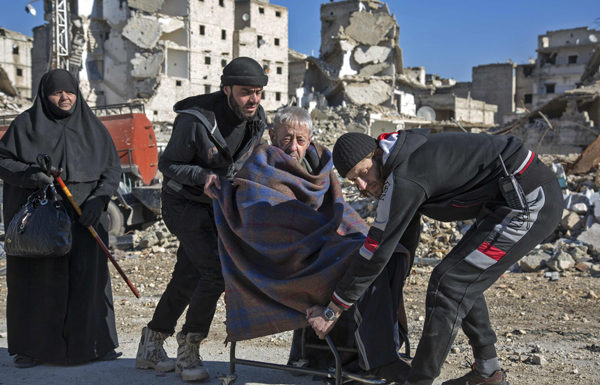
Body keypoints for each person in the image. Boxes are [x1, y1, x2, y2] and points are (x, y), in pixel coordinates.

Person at [307, 129, 564, 385]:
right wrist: (391, 284)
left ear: (376, 155)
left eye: (363, 173)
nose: (362, 185)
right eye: (354, 181)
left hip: (529, 201)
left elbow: (376, 248)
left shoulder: (404, 176)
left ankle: (418, 381)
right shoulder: (401, 158)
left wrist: (333, 310)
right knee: (459, 275)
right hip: (506, 202)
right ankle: (488, 373)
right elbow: (401, 242)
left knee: (449, 283)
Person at [211, 106, 411, 383]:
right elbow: (261, 220)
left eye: (300, 140)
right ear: (271, 135)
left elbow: (338, 211)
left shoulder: (322, 169)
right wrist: (321, 240)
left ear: (310, 140)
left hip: (323, 247)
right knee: (358, 259)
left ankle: (368, 354)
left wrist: (350, 237)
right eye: (286, 138)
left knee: (381, 252)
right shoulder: (260, 168)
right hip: (286, 262)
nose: (293, 147)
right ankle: (371, 360)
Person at [135, 57, 268, 382]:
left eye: (259, 92)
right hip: (183, 202)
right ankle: (188, 349)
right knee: (214, 273)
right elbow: (167, 165)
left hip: (217, 203)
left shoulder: (256, 119)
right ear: (226, 90)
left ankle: (150, 345)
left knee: (188, 274)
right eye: (245, 93)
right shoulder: (195, 122)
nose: (254, 100)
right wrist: (203, 176)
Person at [0, 69, 122, 368]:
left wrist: (100, 200)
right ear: (45, 95)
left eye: (69, 92)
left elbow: (111, 170)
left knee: (88, 280)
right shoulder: (25, 125)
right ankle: (31, 349)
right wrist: (34, 176)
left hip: (86, 218)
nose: (64, 98)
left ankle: (95, 345)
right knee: (38, 282)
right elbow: (3, 161)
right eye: (57, 92)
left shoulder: (93, 127)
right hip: (43, 219)